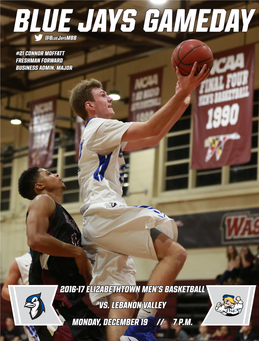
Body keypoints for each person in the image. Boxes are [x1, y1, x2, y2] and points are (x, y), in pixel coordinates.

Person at [69, 61, 210, 341]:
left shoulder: (98, 133)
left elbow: (152, 137)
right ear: (90, 106)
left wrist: (183, 97)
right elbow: (149, 127)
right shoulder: (98, 126)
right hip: (105, 215)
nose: (109, 98)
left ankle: (130, 335)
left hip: (98, 225)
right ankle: (143, 327)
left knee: (123, 295)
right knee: (175, 253)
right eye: (102, 96)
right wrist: (181, 92)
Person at [18, 167, 106, 341]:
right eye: (49, 174)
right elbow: (35, 238)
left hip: (71, 302)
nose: (57, 174)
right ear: (39, 186)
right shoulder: (42, 200)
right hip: (50, 303)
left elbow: (75, 260)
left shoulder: (60, 212)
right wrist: (78, 252)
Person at [1, 252, 43, 341]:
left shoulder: (60, 256)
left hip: (60, 307)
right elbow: (4, 291)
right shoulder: (21, 261)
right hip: (34, 309)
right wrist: (21, 294)